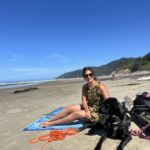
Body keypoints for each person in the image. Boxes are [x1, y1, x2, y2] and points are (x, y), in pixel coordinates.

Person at [39, 67, 110, 127]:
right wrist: (87, 110)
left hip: (99, 111)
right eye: (86, 75)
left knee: (76, 114)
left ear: (93, 75)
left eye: (90, 74)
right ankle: (49, 120)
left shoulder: (100, 86)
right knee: (70, 108)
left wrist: (105, 115)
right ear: (84, 77)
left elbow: (109, 101)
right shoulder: (85, 87)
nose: (88, 77)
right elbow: (84, 100)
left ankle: (51, 123)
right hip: (90, 107)